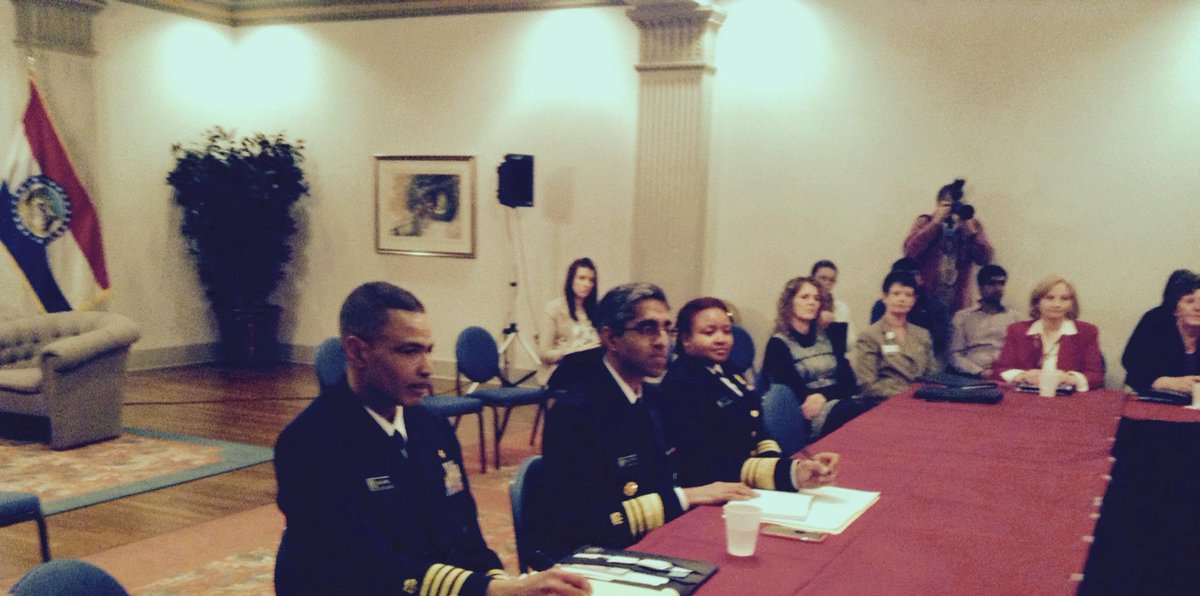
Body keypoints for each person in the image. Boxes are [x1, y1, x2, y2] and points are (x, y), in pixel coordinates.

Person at [274, 282, 589, 596]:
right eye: (409, 351)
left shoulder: (431, 427)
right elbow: (366, 569)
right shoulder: (310, 443)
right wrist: (492, 591)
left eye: (428, 351)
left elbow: (466, 538)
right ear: (357, 352)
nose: (426, 368)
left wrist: (503, 584)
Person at [540, 283, 771, 560]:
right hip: (600, 558)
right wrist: (684, 497)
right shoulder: (577, 412)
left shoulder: (652, 397)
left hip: (654, 539)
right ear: (611, 338)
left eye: (666, 329)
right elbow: (584, 522)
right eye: (648, 329)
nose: (663, 341)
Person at [658, 296, 841, 490]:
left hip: (746, 479)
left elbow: (757, 430)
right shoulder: (681, 384)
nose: (721, 339)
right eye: (709, 332)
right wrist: (786, 473)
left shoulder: (726, 369)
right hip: (716, 487)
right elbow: (704, 463)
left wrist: (783, 465)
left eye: (727, 331)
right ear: (686, 339)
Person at [761, 277, 866, 438]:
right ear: (789, 303)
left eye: (816, 298)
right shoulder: (778, 344)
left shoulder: (828, 336)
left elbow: (849, 381)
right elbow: (793, 394)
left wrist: (824, 395)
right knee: (854, 414)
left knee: (868, 410)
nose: (812, 302)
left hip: (838, 402)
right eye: (805, 297)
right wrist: (829, 395)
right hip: (808, 415)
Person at [992, 276, 1105, 391]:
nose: (1057, 304)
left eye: (1064, 299)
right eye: (1050, 298)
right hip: (1026, 395)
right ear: (1037, 303)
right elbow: (999, 371)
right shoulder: (1017, 330)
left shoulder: (1086, 332)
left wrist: (1070, 378)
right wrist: (1023, 376)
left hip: (1068, 397)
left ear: (1072, 304)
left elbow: (1096, 376)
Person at [902, 179, 994, 312]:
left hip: (959, 303)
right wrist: (935, 224)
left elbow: (985, 258)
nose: (956, 210)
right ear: (939, 205)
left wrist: (971, 234)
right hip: (926, 301)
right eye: (950, 206)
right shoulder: (925, 222)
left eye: (962, 205)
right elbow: (910, 252)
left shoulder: (972, 225)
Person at [854, 271, 942, 400]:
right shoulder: (870, 336)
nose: (902, 299)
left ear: (914, 300)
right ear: (885, 297)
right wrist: (907, 395)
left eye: (908, 295)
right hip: (883, 401)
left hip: (920, 399)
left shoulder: (922, 334)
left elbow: (932, 374)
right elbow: (867, 384)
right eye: (896, 294)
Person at [1121, 270, 1200, 395]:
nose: (1198, 308)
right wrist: (1162, 382)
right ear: (1175, 308)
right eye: (1189, 301)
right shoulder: (1155, 321)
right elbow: (1131, 362)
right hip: (1152, 393)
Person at [870, 257, 952, 359]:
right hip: (889, 357)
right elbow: (877, 338)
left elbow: (939, 341)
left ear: (920, 278)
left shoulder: (935, 306)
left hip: (925, 357)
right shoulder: (882, 305)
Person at [948, 264, 1020, 378]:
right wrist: (979, 372)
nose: (998, 288)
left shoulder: (1015, 318)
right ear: (980, 288)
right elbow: (954, 355)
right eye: (992, 283)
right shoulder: (962, 317)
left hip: (1005, 375)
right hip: (971, 376)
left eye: (1001, 283)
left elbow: (1020, 353)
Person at [537, 258, 601, 384]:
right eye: (582, 278)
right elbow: (544, 354)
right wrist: (573, 353)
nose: (586, 284)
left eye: (591, 280)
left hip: (591, 369)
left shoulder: (597, 308)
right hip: (562, 370)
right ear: (571, 280)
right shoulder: (554, 308)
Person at [811, 259, 856, 347]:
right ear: (812, 279)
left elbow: (850, 342)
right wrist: (816, 322)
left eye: (831, 280)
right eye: (823, 278)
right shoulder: (805, 305)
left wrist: (834, 325)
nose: (827, 283)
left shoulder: (841, 308)